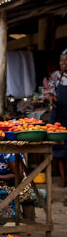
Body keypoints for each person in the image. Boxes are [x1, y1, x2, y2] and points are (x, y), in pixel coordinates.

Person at [47, 49, 67, 187]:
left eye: (66, 60)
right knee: (61, 147)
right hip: (59, 115)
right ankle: (63, 177)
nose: (63, 63)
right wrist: (51, 98)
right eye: (61, 60)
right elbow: (49, 92)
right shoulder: (55, 76)